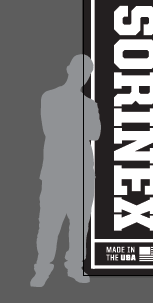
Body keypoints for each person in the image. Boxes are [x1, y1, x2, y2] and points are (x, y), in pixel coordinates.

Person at [32, 54, 98, 287]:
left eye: (86, 71)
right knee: (49, 223)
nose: (82, 75)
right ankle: (42, 269)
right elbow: (49, 128)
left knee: (79, 224)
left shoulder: (89, 104)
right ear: (69, 69)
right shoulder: (49, 97)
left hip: (82, 173)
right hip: (56, 172)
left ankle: (75, 267)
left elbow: (95, 134)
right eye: (80, 69)